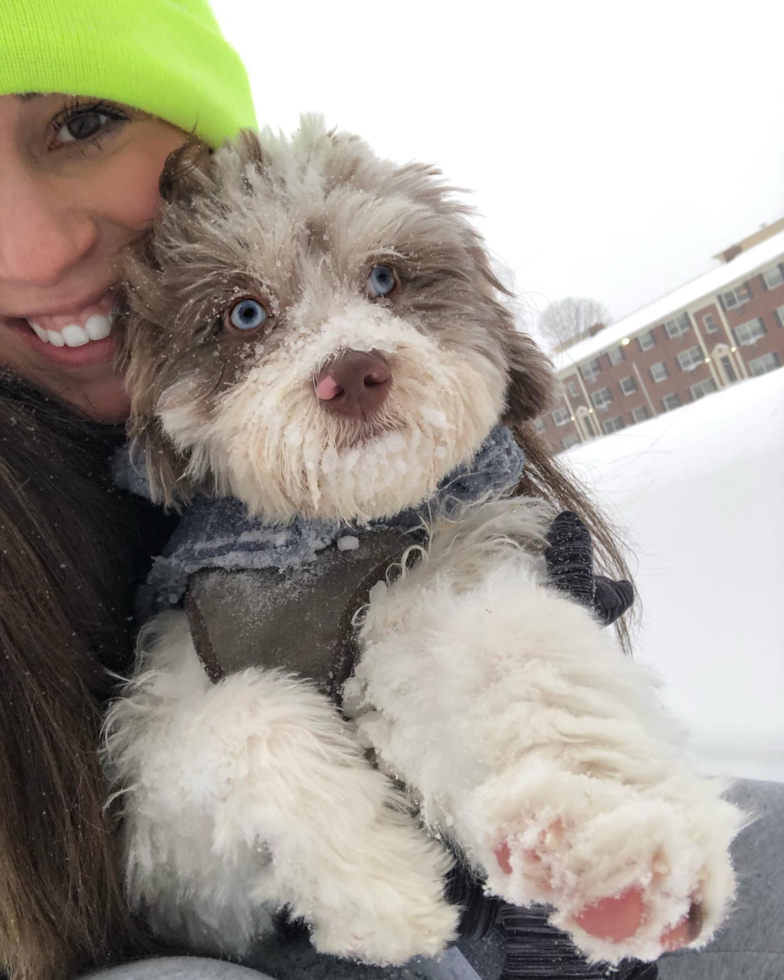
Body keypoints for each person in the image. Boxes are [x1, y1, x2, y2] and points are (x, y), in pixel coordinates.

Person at [1, 2, 780, 979]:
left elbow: (452, 653)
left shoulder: (460, 500)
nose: (34, 248)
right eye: (248, 313)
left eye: (81, 121)